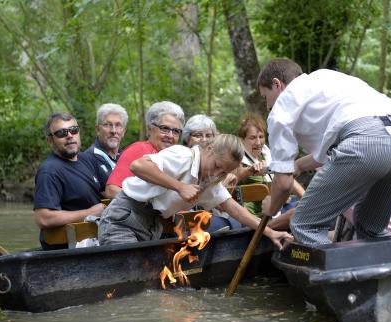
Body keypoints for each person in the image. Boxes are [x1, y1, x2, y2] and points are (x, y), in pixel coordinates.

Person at [258, 58, 391, 247]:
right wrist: (299, 165)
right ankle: (388, 270)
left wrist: (270, 208)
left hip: (366, 145)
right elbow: (348, 140)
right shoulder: (327, 78)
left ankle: (335, 276)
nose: (267, 106)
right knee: (369, 225)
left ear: (277, 84)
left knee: (305, 224)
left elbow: (283, 184)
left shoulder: (281, 108)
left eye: (265, 97)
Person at [97, 134, 293, 249]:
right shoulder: (183, 155)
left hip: (152, 225)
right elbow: (138, 166)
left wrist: (270, 232)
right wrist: (180, 186)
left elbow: (235, 209)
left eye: (224, 172)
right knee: (128, 281)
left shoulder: (210, 181)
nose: (217, 173)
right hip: (124, 218)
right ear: (209, 148)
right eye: (217, 165)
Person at [34, 112, 107, 250]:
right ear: (50, 140)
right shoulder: (49, 171)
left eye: (74, 130)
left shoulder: (88, 159)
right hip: (68, 248)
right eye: (62, 133)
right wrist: (89, 213)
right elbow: (43, 218)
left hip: (97, 239)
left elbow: (109, 190)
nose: (69, 135)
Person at [105, 101, 184, 198]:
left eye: (176, 131)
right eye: (164, 128)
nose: (170, 135)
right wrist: (146, 209)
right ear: (149, 129)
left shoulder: (177, 158)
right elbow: (112, 190)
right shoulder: (139, 149)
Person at [234, 113, 304, 216]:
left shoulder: (267, 154)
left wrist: (305, 199)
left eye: (261, 137)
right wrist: (249, 171)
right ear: (241, 140)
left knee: (301, 208)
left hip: (277, 207)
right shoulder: (237, 160)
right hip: (255, 215)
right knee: (294, 214)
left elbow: (285, 176)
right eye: (253, 138)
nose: (258, 142)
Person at [181, 114, 242, 231]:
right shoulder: (183, 157)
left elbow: (219, 199)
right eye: (198, 135)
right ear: (187, 138)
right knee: (228, 224)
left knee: (236, 222)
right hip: (185, 220)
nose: (204, 140)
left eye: (208, 135)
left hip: (207, 214)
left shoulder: (219, 163)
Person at [85, 103, 129, 185]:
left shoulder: (127, 159)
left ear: (124, 131)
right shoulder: (87, 160)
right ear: (98, 129)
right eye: (108, 125)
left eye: (118, 125)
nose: (113, 131)